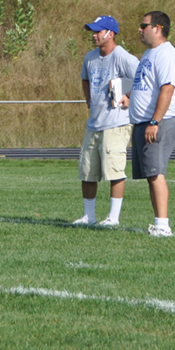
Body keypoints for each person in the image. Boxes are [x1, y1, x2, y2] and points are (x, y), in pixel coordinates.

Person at [74, 15, 139, 227]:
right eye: (93, 32)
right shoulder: (90, 58)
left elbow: (143, 78)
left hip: (116, 123)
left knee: (114, 170)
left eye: (97, 32)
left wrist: (129, 97)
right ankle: (89, 216)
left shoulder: (122, 57)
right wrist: (89, 100)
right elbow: (85, 78)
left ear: (110, 34)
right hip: (94, 122)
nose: (93, 36)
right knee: (87, 171)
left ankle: (113, 217)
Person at [129, 11, 175, 237]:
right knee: (150, 175)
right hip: (143, 123)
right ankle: (159, 223)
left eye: (144, 25)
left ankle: (163, 225)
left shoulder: (166, 54)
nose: (140, 29)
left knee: (156, 173)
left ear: (158, 28)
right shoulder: (149, 54)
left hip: (157, 123)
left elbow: (167, 89)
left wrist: (155, 121)